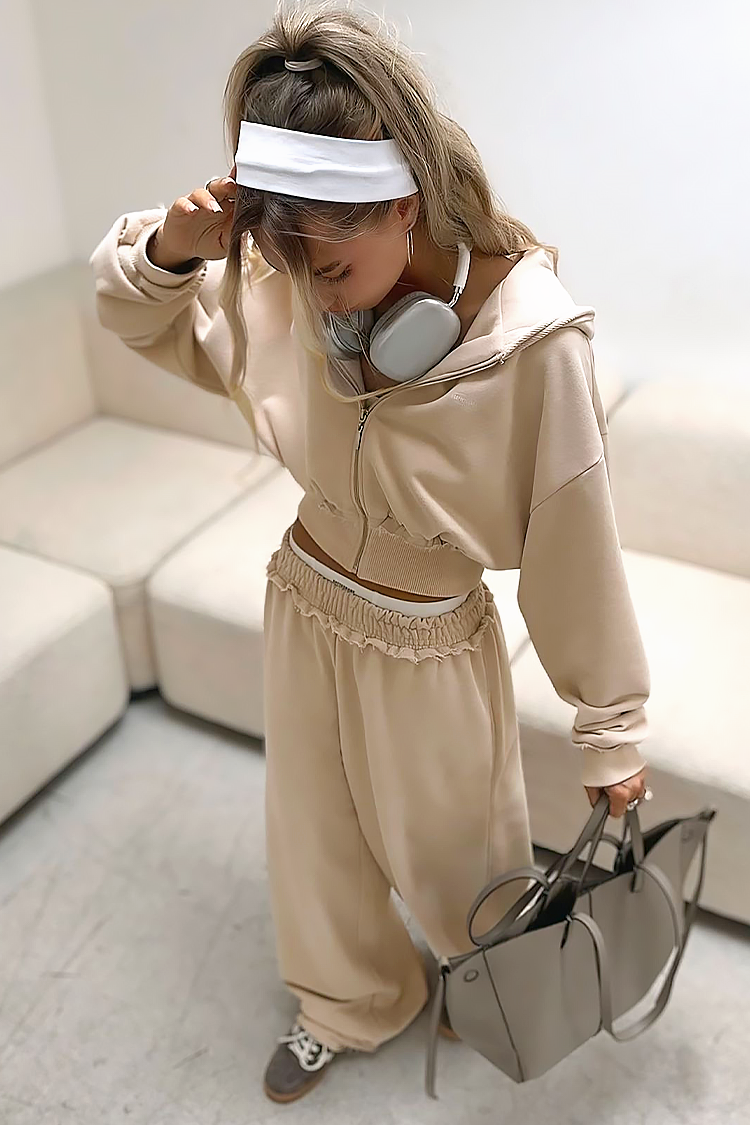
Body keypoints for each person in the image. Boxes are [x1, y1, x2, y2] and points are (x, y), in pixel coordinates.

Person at [89, 0, 652, 1105]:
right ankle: (347, 1003)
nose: (314, 299)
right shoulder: (288, 278)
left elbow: (576, 545)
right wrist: (171, 251)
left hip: (431, 639)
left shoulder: (535, 340)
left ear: (402, 204)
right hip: (303, 599)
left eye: (334, 272)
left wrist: (610, 726)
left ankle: (487, 988)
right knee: (317, 843)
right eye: (288, 268)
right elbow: (142, 319)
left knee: (461, 862)